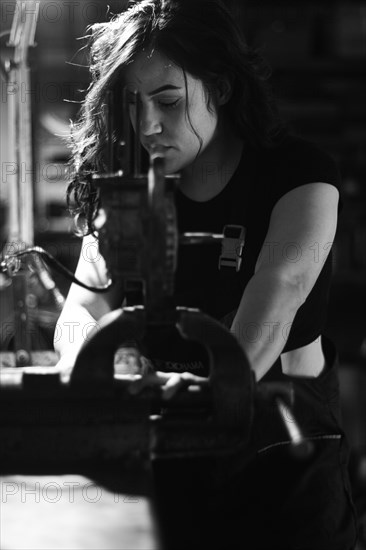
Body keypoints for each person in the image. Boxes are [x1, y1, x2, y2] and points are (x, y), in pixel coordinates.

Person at [55, 0, 358, 548]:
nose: (147, 125)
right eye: (133, 103)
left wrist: (199, 396)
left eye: (169, 101)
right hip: (164, 460)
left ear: (219, 87)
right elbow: (83, 305)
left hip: (284, 459)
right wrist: (91, 375)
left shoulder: (300, 175)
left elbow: (281, 287)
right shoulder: (131, 192)